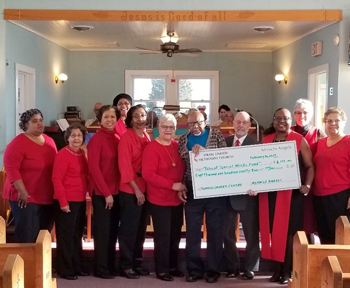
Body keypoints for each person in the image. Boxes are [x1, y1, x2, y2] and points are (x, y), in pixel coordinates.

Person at [255, 108, 314, 284]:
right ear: (273, 121)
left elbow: (310, 166)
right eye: (278, 118)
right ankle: (276, 270)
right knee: (272, 232)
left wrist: (308, 185)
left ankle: (287, 271)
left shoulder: (299, 139)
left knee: (288, 234)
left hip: (291, 195)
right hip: (270, 194)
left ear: (291, 121)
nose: (281, 121)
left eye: (285, 118)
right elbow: (258, 166)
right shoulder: (266, 141)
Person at [178, 111, 227, 284]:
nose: (195, 126)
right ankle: (194, 269)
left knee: (214, 230)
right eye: (191, 123)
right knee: (192, 231)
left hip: (214, 188)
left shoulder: (216, 135)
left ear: (205, 121)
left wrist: (206, 153)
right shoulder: (183, 139)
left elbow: (225, 159)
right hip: (193, 188)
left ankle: (213, 270)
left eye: (198, 122)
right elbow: (183, 166)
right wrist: (182, 186)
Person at [142, 114, 187, 281]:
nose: (168, 130)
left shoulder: (178, 146)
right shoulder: (151, 147)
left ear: (176, 130)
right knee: (162, 236)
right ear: (158, 128)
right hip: (159, 198)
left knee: (175, 235)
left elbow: (183, 169)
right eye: (165, 127)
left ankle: (173, 266)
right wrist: (171, 185)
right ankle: (162, 270)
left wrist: (181, 187)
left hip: (176, 198)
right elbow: (148, 174)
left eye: (172, 127)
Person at [3, 109, 57, 243]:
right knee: (28, 236)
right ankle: (26, 264)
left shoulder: (49, 141)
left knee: (43, 236)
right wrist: (22, 191)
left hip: (47, 195)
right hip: (26, 197)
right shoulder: (18, 143)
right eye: (34, 121)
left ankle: (42, 264)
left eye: (41, 120)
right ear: (26, 124)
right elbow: (11, 168)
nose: (39, 123)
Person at [223, 111, 260, 280]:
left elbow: (261, 171)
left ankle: (250, 268)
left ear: (249, 125)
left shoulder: (256, 145)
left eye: (244, 123)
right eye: (238, 122)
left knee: (251, 234)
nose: (240, 125)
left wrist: (257, 186)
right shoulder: (225, 143)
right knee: (228, 234)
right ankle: (232, 266)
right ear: (233, 123)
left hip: (248, 197)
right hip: (226, 197)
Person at [88, 105, 121, 279]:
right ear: (100, 120)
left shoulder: (117, 137)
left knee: (113, 231)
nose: (109, 120)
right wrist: (106, 193)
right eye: (106, 117)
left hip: (116, 191)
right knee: (103, 232)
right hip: (102, 193)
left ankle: (109, 265)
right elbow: (94, 168)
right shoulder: (96, 139)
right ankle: (100, 268)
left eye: (113, 117)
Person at [52, 123, 89, 280]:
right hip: (66, 200)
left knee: (76, 236)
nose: (76, 138)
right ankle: (65, 269)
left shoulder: (81, 153)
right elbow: (56, 178)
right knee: (66, 237)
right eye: (73, 135)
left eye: (79, 135)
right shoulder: (63, 154)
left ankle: (76, 266)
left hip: (80, 200)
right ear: (67, 138)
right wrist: (63, 201)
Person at [118, 104, 151, 279]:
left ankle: (137, 262)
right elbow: (125, 167)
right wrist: (137, 190)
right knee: (129, 230)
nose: (140, 119)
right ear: (130, 119)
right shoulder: (126, 137)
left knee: (140, 229)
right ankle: (125, 265)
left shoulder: (146, 135)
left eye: (143, 115)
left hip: (145, 186)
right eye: (136, 116)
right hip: (130, 188)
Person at [313, 107, 350, 244]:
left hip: (340, 196)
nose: (332, 124)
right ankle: (326, 264)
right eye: (329, 121)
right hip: (319, 196)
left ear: (344, 122)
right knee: (324, 235)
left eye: (337, 120)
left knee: (339, 236)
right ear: (325, 123)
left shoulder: (348, 141)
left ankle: (340, 265)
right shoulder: (320, 142)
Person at [292, 98, 326, 243]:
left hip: (312, 183)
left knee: (310, 223)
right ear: (294, 115)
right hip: (292, 184)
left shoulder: (318, 133)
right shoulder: (288, 132)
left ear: (311, 115)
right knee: (294, 223)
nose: (302, 116)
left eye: (305, 112)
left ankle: (311, 257)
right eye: (298, 113)